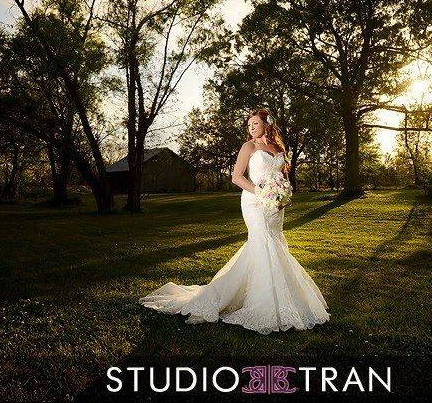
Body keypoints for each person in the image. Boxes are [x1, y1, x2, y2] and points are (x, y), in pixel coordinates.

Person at [138, 108, 330, 334]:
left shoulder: (278, 148)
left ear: (267, 125)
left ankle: (284, 299)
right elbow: (237, 177)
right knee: (262, 242)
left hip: (275, 205)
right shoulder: (248, 147)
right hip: (254, 201)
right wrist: (260, 192)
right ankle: (262, 303)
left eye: (255, 124)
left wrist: (283, 195)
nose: (251, 128)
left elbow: (283, 177)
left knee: (274, 243)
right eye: (249, 125)